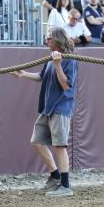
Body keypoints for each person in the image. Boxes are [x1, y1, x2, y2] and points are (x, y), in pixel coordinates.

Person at [10, 27, 78, 196]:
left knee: (60, 146)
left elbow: (66, 85)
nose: (46, 41)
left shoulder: (70, 60)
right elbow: (42, 76)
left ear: (57, 40)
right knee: (37, 141)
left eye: (49, 39)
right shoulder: (50, 59)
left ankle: (65, 186)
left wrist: (57, 65)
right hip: (47, 109)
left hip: (61, 108)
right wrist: (24, 74)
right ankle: (54, 176)